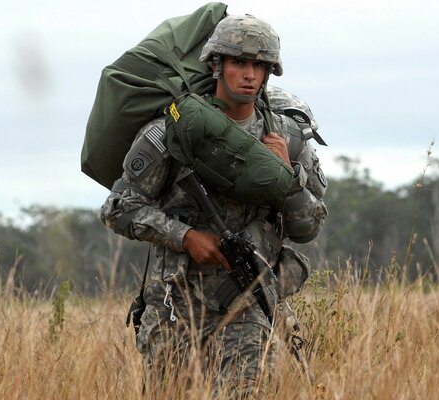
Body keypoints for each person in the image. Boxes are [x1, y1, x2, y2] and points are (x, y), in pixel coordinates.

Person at [100, 14, 328, 396]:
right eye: (239, 62)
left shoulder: (286, 138)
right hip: (176, 304)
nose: (250, 74)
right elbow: (119, 207)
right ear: (216, 65)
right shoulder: (172, 131)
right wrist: (185, 237)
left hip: (249, 302)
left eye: (260, 65)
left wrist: (290, 178)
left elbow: (308, 228)